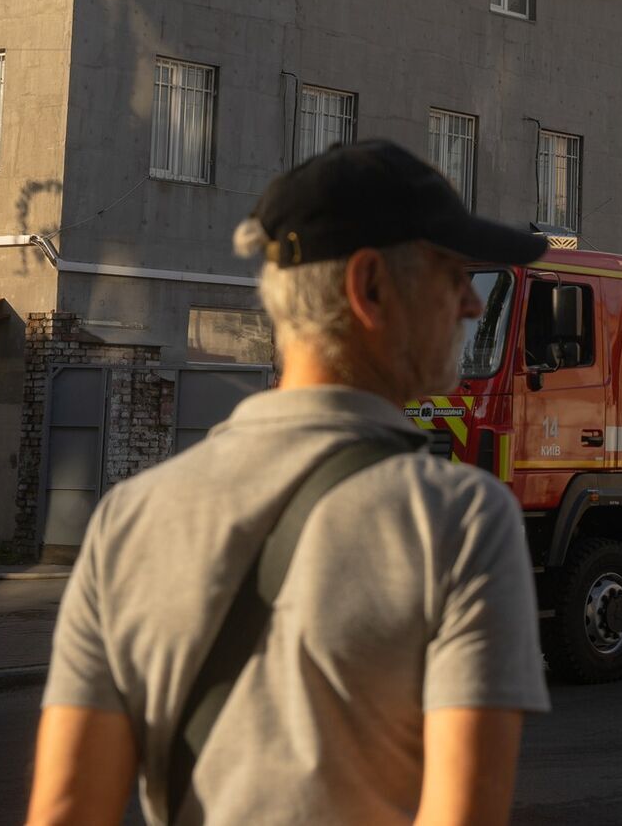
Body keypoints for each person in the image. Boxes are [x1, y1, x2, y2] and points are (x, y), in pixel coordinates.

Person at [27, 140, 551, 826]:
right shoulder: (460, 521)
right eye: (453, 274)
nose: (471, 306)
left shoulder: (130, 518)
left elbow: (65, 810)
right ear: (370, 287)